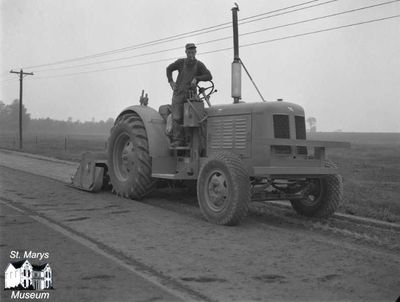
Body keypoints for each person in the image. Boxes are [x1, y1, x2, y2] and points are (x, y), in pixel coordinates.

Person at [166, 43, 212, 147]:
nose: (191, 53)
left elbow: (209, 76)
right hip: (178, 94)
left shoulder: (199, 65)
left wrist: (197, 78)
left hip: (191, 95)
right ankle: (178, 140)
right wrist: (171, 82)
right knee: (177, 117)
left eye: (193, 51)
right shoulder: (180, 62)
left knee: (191, 118)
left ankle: (192, 141)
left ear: (195, 52)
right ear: (186, 52)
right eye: (189, 52)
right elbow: (169, 69)